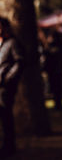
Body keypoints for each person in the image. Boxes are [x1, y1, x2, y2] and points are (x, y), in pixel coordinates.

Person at [0, 17, 24, 157]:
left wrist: (7, 79)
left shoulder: (12, 43)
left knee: (6, 117)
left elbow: (19, 62)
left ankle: (9, 147)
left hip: (5, 88)